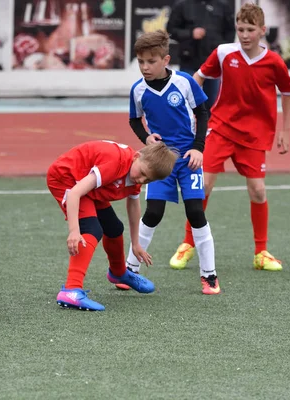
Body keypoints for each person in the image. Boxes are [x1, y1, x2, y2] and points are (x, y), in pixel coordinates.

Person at [170, 3, 290, 272]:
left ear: (262, 31)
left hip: (254, 135)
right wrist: (193, 111)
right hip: (221, 128)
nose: (245, 34)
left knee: (258, 190)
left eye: (250, 29)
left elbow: (287, 92)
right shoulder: (224, 53)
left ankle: (261, 252)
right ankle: (187, 243)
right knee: (202, 185)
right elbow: (199, 76)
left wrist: (285, 131)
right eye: (240, 29)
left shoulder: (274, 61)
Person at [123, 30, 220, 296]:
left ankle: (209, 275)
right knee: (153, 213)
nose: (145, 67)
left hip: (188, 158)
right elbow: (134, 120)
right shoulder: (138, 90)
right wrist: (146, 136)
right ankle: (130, 270)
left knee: (196, 212)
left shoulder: (185, 82)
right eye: (141, 61)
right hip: (159, 160)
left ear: (165, 60)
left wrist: (199, 148)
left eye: (151, 61)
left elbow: (202, 112)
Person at [47, 140, 178, 311]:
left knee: (114, 228)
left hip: (88, 185)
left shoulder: (137, 172)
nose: (141, 179)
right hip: (67, 178)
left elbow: (133, 205)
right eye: (143, 173)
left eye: (148, 180)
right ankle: (71, 289)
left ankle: (118, 273)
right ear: (136, 156)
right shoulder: (115, 163)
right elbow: (75, 193)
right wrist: (74, 230)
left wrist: (136, 244)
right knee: (91, 229)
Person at [167, 0, 235, 110]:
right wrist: (190, 33)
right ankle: (185, 127)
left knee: (212, 103)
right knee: (183, 101)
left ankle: (208, 127)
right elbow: (171, 30)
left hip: (213, 64)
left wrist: (222, 48)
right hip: (188, 61)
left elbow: (230, 31)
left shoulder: (222, 5)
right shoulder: (182, 5)